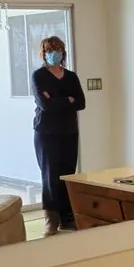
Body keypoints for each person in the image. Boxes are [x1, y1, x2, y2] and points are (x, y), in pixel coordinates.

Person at [32, 36, 86, 236]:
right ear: (44, 54)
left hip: (69, 132)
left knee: (67, 174)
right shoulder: (39, 76)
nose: (54, 53)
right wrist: (67, 100)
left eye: (58, 49)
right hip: (46, 133)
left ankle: (67, 217)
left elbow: (80, 102)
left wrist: (57, 100)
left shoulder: (71, 77)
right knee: (50, 176)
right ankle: (51, 220)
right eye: (50, 50)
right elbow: (45, 105)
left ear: (63, 52)